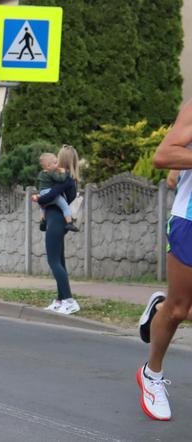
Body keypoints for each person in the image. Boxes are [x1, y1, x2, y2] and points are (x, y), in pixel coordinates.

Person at [135, 99, 192, 421]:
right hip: (191, 221)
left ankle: (159, 307)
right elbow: (164, 156)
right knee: (179, 310)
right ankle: (151, 375)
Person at [32, 144, 81, 315]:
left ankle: (69, 300)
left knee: (53, 261)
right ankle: (61, 300)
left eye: (57, 159)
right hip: (57, 219)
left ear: (62, 160)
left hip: (57, 220)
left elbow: (50, 196)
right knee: (59, 260)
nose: (55, 162)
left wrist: (39, 198)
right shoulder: (67, 178)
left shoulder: (64, 178)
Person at [34, 152, 79, 232]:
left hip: (42, 192)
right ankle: (69, 223)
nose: (57, 164)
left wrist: (40, 197)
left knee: (42, 208)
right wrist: (63, 172)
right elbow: (60, 179)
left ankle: (42, 221)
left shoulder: (41, 173)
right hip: (49, 193)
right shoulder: (51, 173)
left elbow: (38, 183)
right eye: (55, 163)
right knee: (64, 206)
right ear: (48, 166)